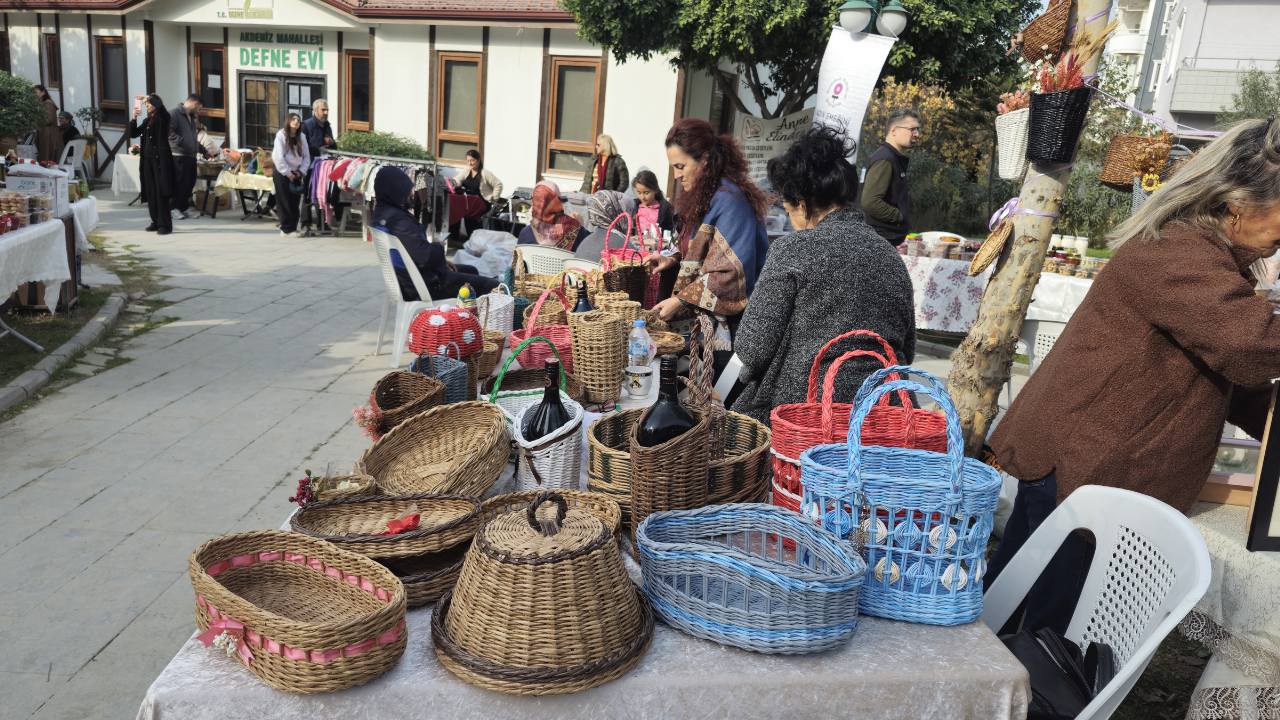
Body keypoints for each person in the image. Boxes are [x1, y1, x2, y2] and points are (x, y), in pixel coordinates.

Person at [984, 116, 1280, 636]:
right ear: (1238, 201)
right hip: (1086, 467)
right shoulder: (1179, 251)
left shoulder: (1203, 255)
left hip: (1089, 463)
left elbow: (1232, 370)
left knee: (1018, 614)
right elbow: (1248, 345)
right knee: (1044, 634)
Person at [731, 125, 916, 427]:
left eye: (790, 211)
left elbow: (752, 349)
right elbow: (904, 350)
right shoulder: (890, 256)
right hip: (883, 417)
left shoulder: (792, 250)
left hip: (806, 419)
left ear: (802, 204)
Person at [645, 117, 770, 378]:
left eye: (681, 166)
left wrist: (681, 300)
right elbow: (702, 252)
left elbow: (730, 273)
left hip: (735, 325)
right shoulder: (705, 194)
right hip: (709, 320)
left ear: (704, 159)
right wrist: (674, 259)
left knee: (720, 395)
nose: (677, 174)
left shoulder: (731, 202)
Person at [373, 167, 498, 301]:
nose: (412, 194)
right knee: (496, 288)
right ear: (395, 191)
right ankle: (471, 317)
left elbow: (413, 251)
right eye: (406, 190)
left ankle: (465, 318)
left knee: (471, 270)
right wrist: (437, 245)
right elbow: (425, 256)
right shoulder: (399, 221)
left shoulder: (381, 214)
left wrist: (439, 261)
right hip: (424, 286)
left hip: (411, 278)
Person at [861, 108, 920, 246]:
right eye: (912, 129)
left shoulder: (889, 157)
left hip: (882, 240)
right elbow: (870, 202)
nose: (917, 134)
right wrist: (900, 216)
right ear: (894, 130)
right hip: (879, 241)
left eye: (918, 129)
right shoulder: (886, 159)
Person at [128, 94, 177, 235]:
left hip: (160, 161)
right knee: (151, 192)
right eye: (146, 103)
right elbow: (133, 133)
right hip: (147, 161)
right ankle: (155, 222)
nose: (147, 105)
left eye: (149, 103)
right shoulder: (148, 120)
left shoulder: (163, 117)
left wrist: (149, 96)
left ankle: (165, 225)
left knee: (161, 192)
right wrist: (134, 118)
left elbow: (161, 108)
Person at [169, 94, 212, 220]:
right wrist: (183, 143)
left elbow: (193, 139)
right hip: (178, 155)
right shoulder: (173, 113)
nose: (199, 111)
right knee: (180, 183)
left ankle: (183, 207)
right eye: (200, 108)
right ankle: (173, 208)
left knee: (190, 183)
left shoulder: (191, 118)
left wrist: (204, 151)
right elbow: (169, 133)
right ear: (195, 103)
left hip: (190, 155)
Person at [517, 181, 589, 251]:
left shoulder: (526, 233)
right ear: (557, 199)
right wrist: (579, 223)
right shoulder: (577, 229)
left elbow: (519, 260)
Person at [301, 99, 337, 234]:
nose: (326, 113)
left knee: (322, 194)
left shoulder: (327, 126)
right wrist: (316, 150)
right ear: (315, 110)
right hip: (310, 165)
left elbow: (334, 147)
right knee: (308, 194)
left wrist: (332, 142)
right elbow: (300, 147)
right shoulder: (306, 125)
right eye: (323, 110)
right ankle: (305, 223)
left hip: (324, 166)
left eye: (327, 110)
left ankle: (322, 224)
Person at [271, 112, 311, 237]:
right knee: (284, 200)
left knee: (294, 201)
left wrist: (300, 172)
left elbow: (306, 158)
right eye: (293, 119)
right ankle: (286, 229)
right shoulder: (281, 135)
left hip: (296, 172)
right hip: (282, 172)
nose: (296, 122)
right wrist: (288, 173)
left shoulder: (302, 137)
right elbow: (278, 157)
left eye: (298, 120)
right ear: (288, 121)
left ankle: (293, 227)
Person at [450, 149, 504, 237]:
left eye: (472, 160)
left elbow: (498, 184)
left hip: (481, 202)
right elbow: (458, 178)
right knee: (455, 209)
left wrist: (494, 198)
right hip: (468, 202)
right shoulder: (466, 171)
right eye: (468, 161)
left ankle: (472, 237)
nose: (470, 163)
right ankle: (454, 236)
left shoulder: (485, 173)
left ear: (478, 160)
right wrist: (457, 183)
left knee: (469, 213)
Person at [574, 189, 635, 261]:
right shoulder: (624, 244)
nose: (632, 223)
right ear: (619, 215)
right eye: (630, 215)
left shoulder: (586, 241)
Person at [631, 169, 675, 250]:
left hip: (656, 249)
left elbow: (670, 230)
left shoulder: (664, 209)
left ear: (655, 189)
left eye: (646, 193)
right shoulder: (633, 206)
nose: (642, 197)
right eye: (639, 192)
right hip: (636, 247)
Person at [33, 85, 63, 163]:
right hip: (44, 132)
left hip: (49, 134)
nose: (34, 94)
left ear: (43, 92)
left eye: (35, 92)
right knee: (43, 154)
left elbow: (49, 119)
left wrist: (36, 119)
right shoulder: (42, 104)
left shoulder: (48, 104)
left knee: (48, 155)